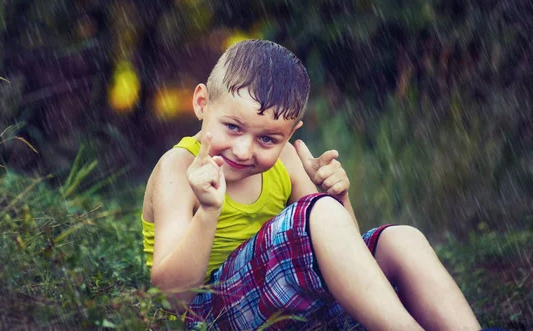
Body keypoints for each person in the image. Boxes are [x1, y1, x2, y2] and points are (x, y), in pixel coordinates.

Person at [141, 40, 482, 330]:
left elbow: (349, 262)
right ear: (202, 103)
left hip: (282, 309)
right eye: (232, 127)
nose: (244, 150)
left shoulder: (286, 160)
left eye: (268, 139)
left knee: (401, 238)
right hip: (207, 317)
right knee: (313, 212)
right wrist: (208, 212)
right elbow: (172, 298)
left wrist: (338, 200)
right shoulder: (178, 169)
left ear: (291, 132)